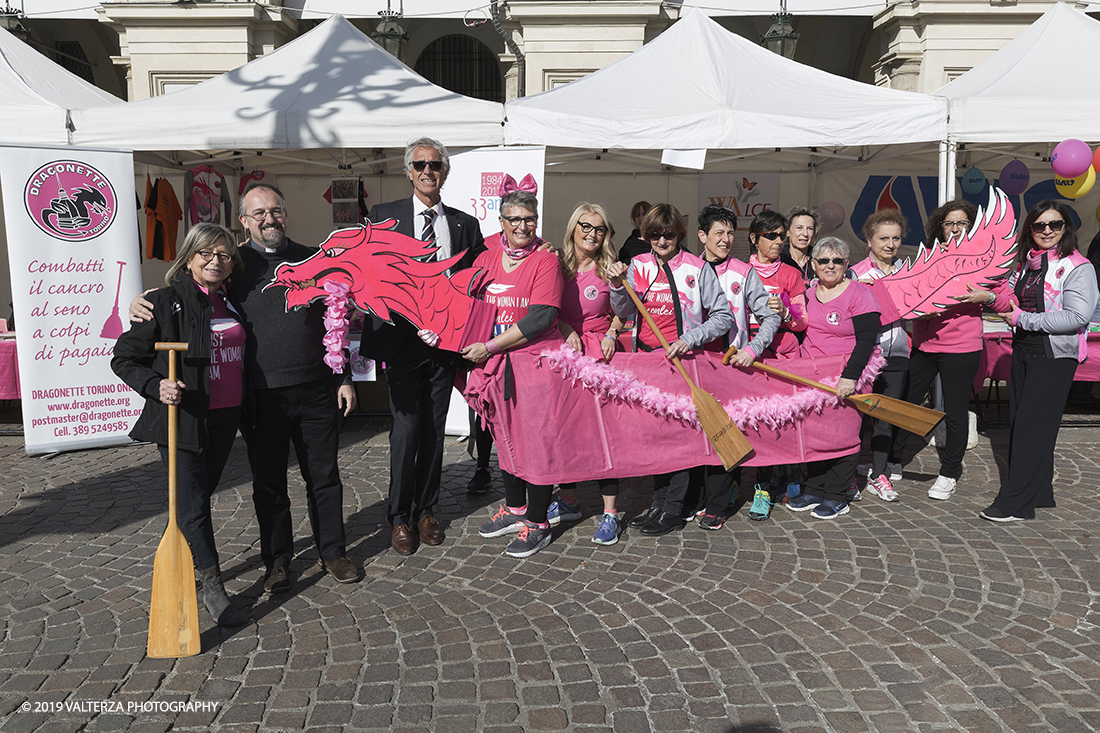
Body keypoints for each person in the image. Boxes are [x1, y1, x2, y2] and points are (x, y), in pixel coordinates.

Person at [131, 182, 360, 594]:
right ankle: (277, 561)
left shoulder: (315, 258)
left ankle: (333, 552)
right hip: (261, 396)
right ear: (243, 221)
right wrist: (144, 299)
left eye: (276, 211)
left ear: (285, 214)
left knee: (324, 478)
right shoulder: (234, 265)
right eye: (259, 213)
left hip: (316, 389)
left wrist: (344, 377)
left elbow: (337, 320)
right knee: (269, 483)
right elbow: (194, 289)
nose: (269, 219)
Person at [113, 223, 248, 627]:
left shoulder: (233, 299)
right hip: (182, 419)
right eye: (206, 253)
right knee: (192, 504)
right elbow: (123, 357)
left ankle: (186, 563)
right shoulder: (164, 302)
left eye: (223, 255)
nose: (215, 261)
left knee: (196, 498)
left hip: (227, 416)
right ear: (188, 257)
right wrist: (156, 385)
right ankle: (212, 588)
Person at [362, 138, 486, 555]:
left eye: (435, 164)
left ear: (445, 172)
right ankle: (399, 518)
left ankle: (426, 511)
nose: (428, 171)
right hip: (402, 344)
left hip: (444, 346)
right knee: (406, 432)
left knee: (434, 431)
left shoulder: (465, 225)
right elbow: (370, 275)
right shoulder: (384, 217)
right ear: (409, 171)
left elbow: (480, 278)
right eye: (420, 165)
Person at [608, 203, 734, 536]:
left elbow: (723, 317)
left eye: (669, 234)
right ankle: (658, 504)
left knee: (679, 438)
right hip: (647, 364)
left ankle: (675, 509)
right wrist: (618, 286)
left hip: (683, 363)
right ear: (645, 235)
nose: (662, 241)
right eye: (654, 235)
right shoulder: (638, 265)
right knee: (656, 439)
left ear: (679, 234)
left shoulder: (697, 267)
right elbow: (622, 310)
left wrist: (690, 339)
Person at [981, 201, 1099, 522]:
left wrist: (1022, 319)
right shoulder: (1025, 264)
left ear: (1066, 228)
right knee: (1025, 425)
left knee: (1032, 430)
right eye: (1039, 225)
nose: (1047, 231)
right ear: (1030, 229)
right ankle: (1040, 492)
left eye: (1055, 224)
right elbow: (1011, 299)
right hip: (1023, 352)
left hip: (1054, 357)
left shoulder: (1078, 266)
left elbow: (1077, 316)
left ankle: (1015, 504)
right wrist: (995, 296)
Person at [467, 188, 565, 557]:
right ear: (502, 223)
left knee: (536, 445)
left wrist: (490, 346)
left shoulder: (546, 260)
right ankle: (516, 507)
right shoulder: (488, 258)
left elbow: (541, 317)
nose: (523, 226)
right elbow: (469, 304)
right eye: (516, 219)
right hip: (496, 369)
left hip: (534, 365)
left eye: (530, 219)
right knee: (505, 436)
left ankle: (538, 522)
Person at [896, 199, 1011, 502]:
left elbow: (1006, 303)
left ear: (972, 228)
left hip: (961, 349)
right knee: (906, 401)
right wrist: (917, 312)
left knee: (955, 411)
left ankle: (949, 472)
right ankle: (892, 461)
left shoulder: (984, 260)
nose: (956, 228)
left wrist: (984, 295)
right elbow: (908, 299)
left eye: (962, 223)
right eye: (950, 223)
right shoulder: (931, 257)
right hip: (924, 345)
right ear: (940, 228)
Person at [542, 203, 628, 545]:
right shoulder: (555, 265)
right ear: (573, 228)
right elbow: (542, 307)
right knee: (566, 431)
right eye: (586, 226)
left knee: (604, 434)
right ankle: (570, 499)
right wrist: (563, 326)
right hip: (564, 357)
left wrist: (611, 333)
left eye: (600, 229)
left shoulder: (612, 269)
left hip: (600, 358)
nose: (592, 234)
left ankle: (610, 513)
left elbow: (624, 313)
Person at [695, 204, 781, 530]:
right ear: (702, 235)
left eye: (731, 233)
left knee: (730, 432)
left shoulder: (744, 273)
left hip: (731, 366)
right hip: (695, 364)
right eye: (719, 232)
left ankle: (723, 501)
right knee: (698, 435)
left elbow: (771, 316)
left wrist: (753, 348)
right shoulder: (689, 269)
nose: (726, 239)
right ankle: (696, 497)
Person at [786, 236, 880, 519]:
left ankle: (837, 495)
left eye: (837, 260)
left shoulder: (860, 294)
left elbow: (866, 341)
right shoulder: (808, 294)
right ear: (813, 264)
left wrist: (850, 377)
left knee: (843, 436)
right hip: (811, 379)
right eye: (824, 260)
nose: (830, 265)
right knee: (815, 435)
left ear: (846, 264)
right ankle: (815, 489)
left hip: (846, 378)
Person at [743, 209, 809, 520]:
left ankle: (790, 473)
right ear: (754, 238)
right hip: (752, 357)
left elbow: (802, 321)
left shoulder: (791, 274)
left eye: (781, 236)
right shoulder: (741, 272)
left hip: (785, 355)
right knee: (760, 424)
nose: (778, 241)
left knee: (786, 419)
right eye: (771, 236)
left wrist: (784, 312)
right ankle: (762, 487)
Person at [850, 209, 911, 502]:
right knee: (857, 418)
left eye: (896, 238)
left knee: (886, 416)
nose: (890, 244)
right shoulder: (855, 273)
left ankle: (879, 472)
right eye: (883, 238)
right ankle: (849, 473)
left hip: (899, 352)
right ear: (869, 240)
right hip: (866, 356)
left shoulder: (909, 271)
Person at [781, 206, 817, 283]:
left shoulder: (819, 259)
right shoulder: (778, 260)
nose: (805, 233)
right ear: (787, 232)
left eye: (810, 228)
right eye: (799, 228)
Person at [617, 200, 652, 265]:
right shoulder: (630, 243)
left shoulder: (657, 239)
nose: (641, 218)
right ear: (634, 220)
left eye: (644, 214)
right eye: (637, 215)